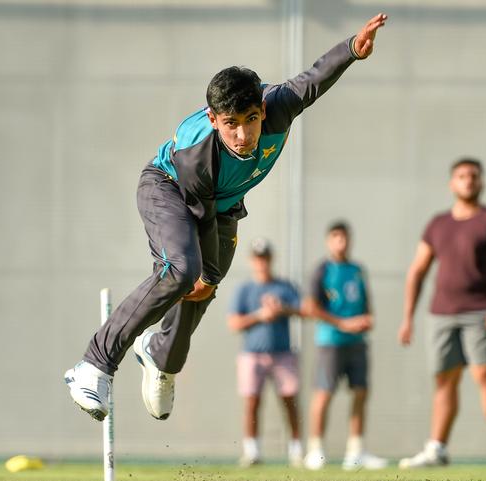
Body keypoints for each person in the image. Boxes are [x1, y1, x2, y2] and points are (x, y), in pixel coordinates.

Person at [64, 14, 388, 424]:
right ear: (214, 119)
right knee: (182, 272)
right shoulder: (197, 153)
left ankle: (160, 356)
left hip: (222, 204)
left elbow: (314, 78)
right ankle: (94, 363)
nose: (242, 135)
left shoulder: (279, 107)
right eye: (230, 124)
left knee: (203, 288)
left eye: (250, 120)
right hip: (169, 188)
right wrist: (196, 270)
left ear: (262, 109)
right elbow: (193, 217)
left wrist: (353, 49)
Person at [397, 158, 486, 472]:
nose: (468, 181)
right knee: (444, 380)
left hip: (481, 313)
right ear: (451, 183)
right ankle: (437, 449)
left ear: (481, 182)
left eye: (473, 176)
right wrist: (408, 318)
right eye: (461, 176)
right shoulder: (438, 224)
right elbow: (417, 271)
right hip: (441, 314)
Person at [303, 221, 387, 471]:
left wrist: (367, 319)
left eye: (345, 237)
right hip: (331, 342)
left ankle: (356, 451)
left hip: (358, 344)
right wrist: (343, 324)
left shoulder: (358, 269)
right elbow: (311, 307)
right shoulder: (322, 270)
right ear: (329, 241)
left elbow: (366, 302)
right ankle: (315, 450)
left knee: (360, 392)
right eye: (336, 237)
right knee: (324, 393)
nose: (342, 242)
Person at [227, 238, 304, 467]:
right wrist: (260, 315)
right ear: (252, 261)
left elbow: (303, 310)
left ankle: (296, 450)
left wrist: (282, 309)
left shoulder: (285, 287)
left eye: (265, 258)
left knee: (290, 401)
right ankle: (252, 451)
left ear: (271, 260)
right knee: (252, 402)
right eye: (258, 258)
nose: (262, 263)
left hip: (282, 354)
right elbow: (234, 323)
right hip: (252, 355)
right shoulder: (245, 289)